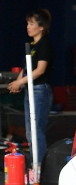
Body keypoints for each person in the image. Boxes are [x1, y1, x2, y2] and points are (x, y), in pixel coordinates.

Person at [8, 9, 54, 165]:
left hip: (40, 90)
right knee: (31, 132)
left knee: (36, 131)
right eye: (28, 23)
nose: (28, 27)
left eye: (32, 23)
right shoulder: (34, 47)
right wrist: (18, 83)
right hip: (31, 90)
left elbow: (40, 70)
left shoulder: (45, 45)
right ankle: (37, 166)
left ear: (41, 27)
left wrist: (20, 82)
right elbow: (27, 67)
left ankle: (39, 167)